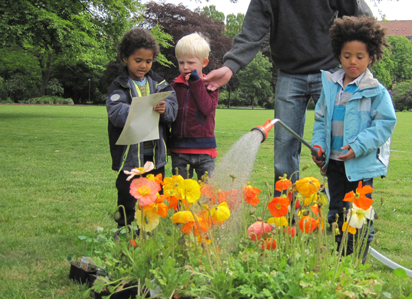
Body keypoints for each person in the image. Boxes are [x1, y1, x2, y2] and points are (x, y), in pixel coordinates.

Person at [203, 0, 373, 193]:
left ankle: (352, 209)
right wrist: (230, 67)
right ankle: (284, 214)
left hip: (330, 70)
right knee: (284, 149)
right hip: (289, 73)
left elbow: (361, 14)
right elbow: (251, 33)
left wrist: (360, 59)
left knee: (344, 141)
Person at [311, 16, 397, 261]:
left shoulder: (376, 91)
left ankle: (357, 260)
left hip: (360, 167)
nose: (353, 61)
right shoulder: (331, 87)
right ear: (339, 55)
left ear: (371, 57)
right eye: (347, 55)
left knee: (358, 214)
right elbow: (320, 121)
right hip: (335, 165)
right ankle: (342, 258)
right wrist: (319, 146)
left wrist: (358, 147)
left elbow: (385, 124)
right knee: (337, 212)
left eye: (360, 56)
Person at [106, 28, 178, 228]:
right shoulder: (119, 85)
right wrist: (139, 109)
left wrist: (164, 109)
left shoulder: (160, 83)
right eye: (138, 60)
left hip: (155, 156)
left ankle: (150, 233)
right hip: (131, 157)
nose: (143, 65)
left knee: (156, 200)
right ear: (125, 58)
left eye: (148, 61)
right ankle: (125, 232)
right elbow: (115, 113)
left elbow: (173, 110)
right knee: (126, 196)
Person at [169, 32, 219, 181]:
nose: (185, 67)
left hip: (205, 150)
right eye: (181, 62)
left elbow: (206, 109)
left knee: (207, 196)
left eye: (190, 63)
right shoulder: (174, 86)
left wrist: (197, 83)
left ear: (204, 63)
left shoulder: (211, 85)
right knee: (180, 195)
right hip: (179, 149)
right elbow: (169, 117)